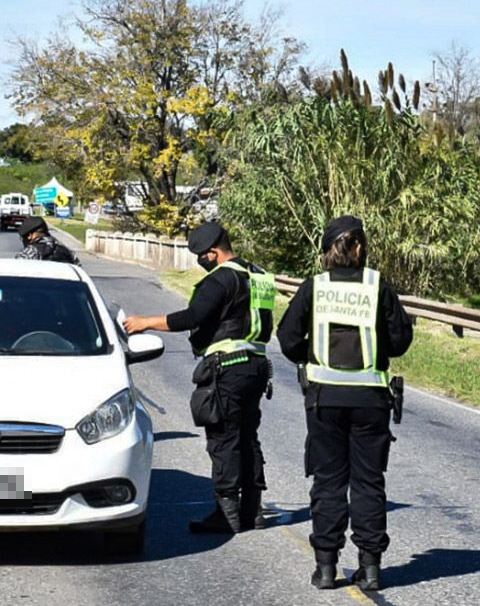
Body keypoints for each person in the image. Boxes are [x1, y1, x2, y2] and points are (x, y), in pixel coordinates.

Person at [276, 215, 412, 591]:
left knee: (328, 483)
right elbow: (400, 340)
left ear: (328, 250)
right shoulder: (377, 285)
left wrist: (314, 354)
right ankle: (370, 569)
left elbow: (286, 337)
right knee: (369, 482)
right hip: (371, 400)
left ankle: (325, 568)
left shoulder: (314, 287)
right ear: (359, 247)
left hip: (325, 400)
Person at [123, 222, 275, 534]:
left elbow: (193, 317)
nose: (200, 262)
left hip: (227, 366)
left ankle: (226, 511)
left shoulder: (221, 279)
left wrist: (146, 323)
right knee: (247, 437)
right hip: (257, 363)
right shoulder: (259, 275)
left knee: (223, 439)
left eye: (201, 256)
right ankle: (253, 510)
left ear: (213, 252)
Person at [14, 216, 80, 264]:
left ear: (29, 236)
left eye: (22, 238)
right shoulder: (67, 251)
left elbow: (16, 272)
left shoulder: (30, 252)